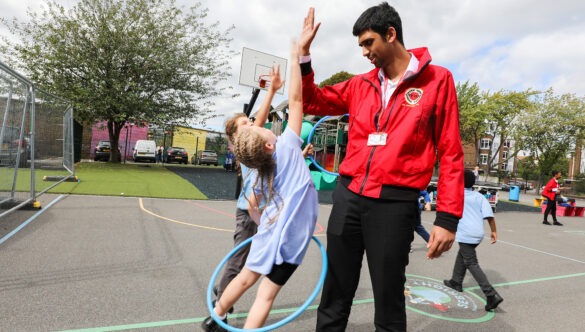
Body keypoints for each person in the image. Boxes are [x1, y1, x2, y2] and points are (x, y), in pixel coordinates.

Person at [298, 4, 464, 331]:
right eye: (360, 45)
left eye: (368, 42)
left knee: (388, 299)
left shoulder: (438, 80)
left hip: (394, 205)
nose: (364, 52)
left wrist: (447, 218)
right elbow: (313, 101)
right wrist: (304, 57)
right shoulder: (360, 85)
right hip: (349, 197)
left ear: (391, 34)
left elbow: (451, 151)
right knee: (335, 292)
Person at [203, 41, 318, 330]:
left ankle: (217, 314)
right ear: (268, 142)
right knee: (263, 295)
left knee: (248, 281)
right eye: (256, 125)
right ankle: (221, 318)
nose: (260, 122)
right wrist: (296, 56)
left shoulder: (258, 162)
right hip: (291, 236)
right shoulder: (287, 146)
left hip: (269, 228)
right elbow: (296, 102)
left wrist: (262, 221)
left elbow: (256, 203)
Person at [443, 170, 503, 311]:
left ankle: (491, 294)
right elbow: (489, 216)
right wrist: (494, 231)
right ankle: (456, 281)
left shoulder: (457, 195)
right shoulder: (479, 196)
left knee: (471, 262)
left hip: (466, 234)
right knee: (463, 254)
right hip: (477, 234)